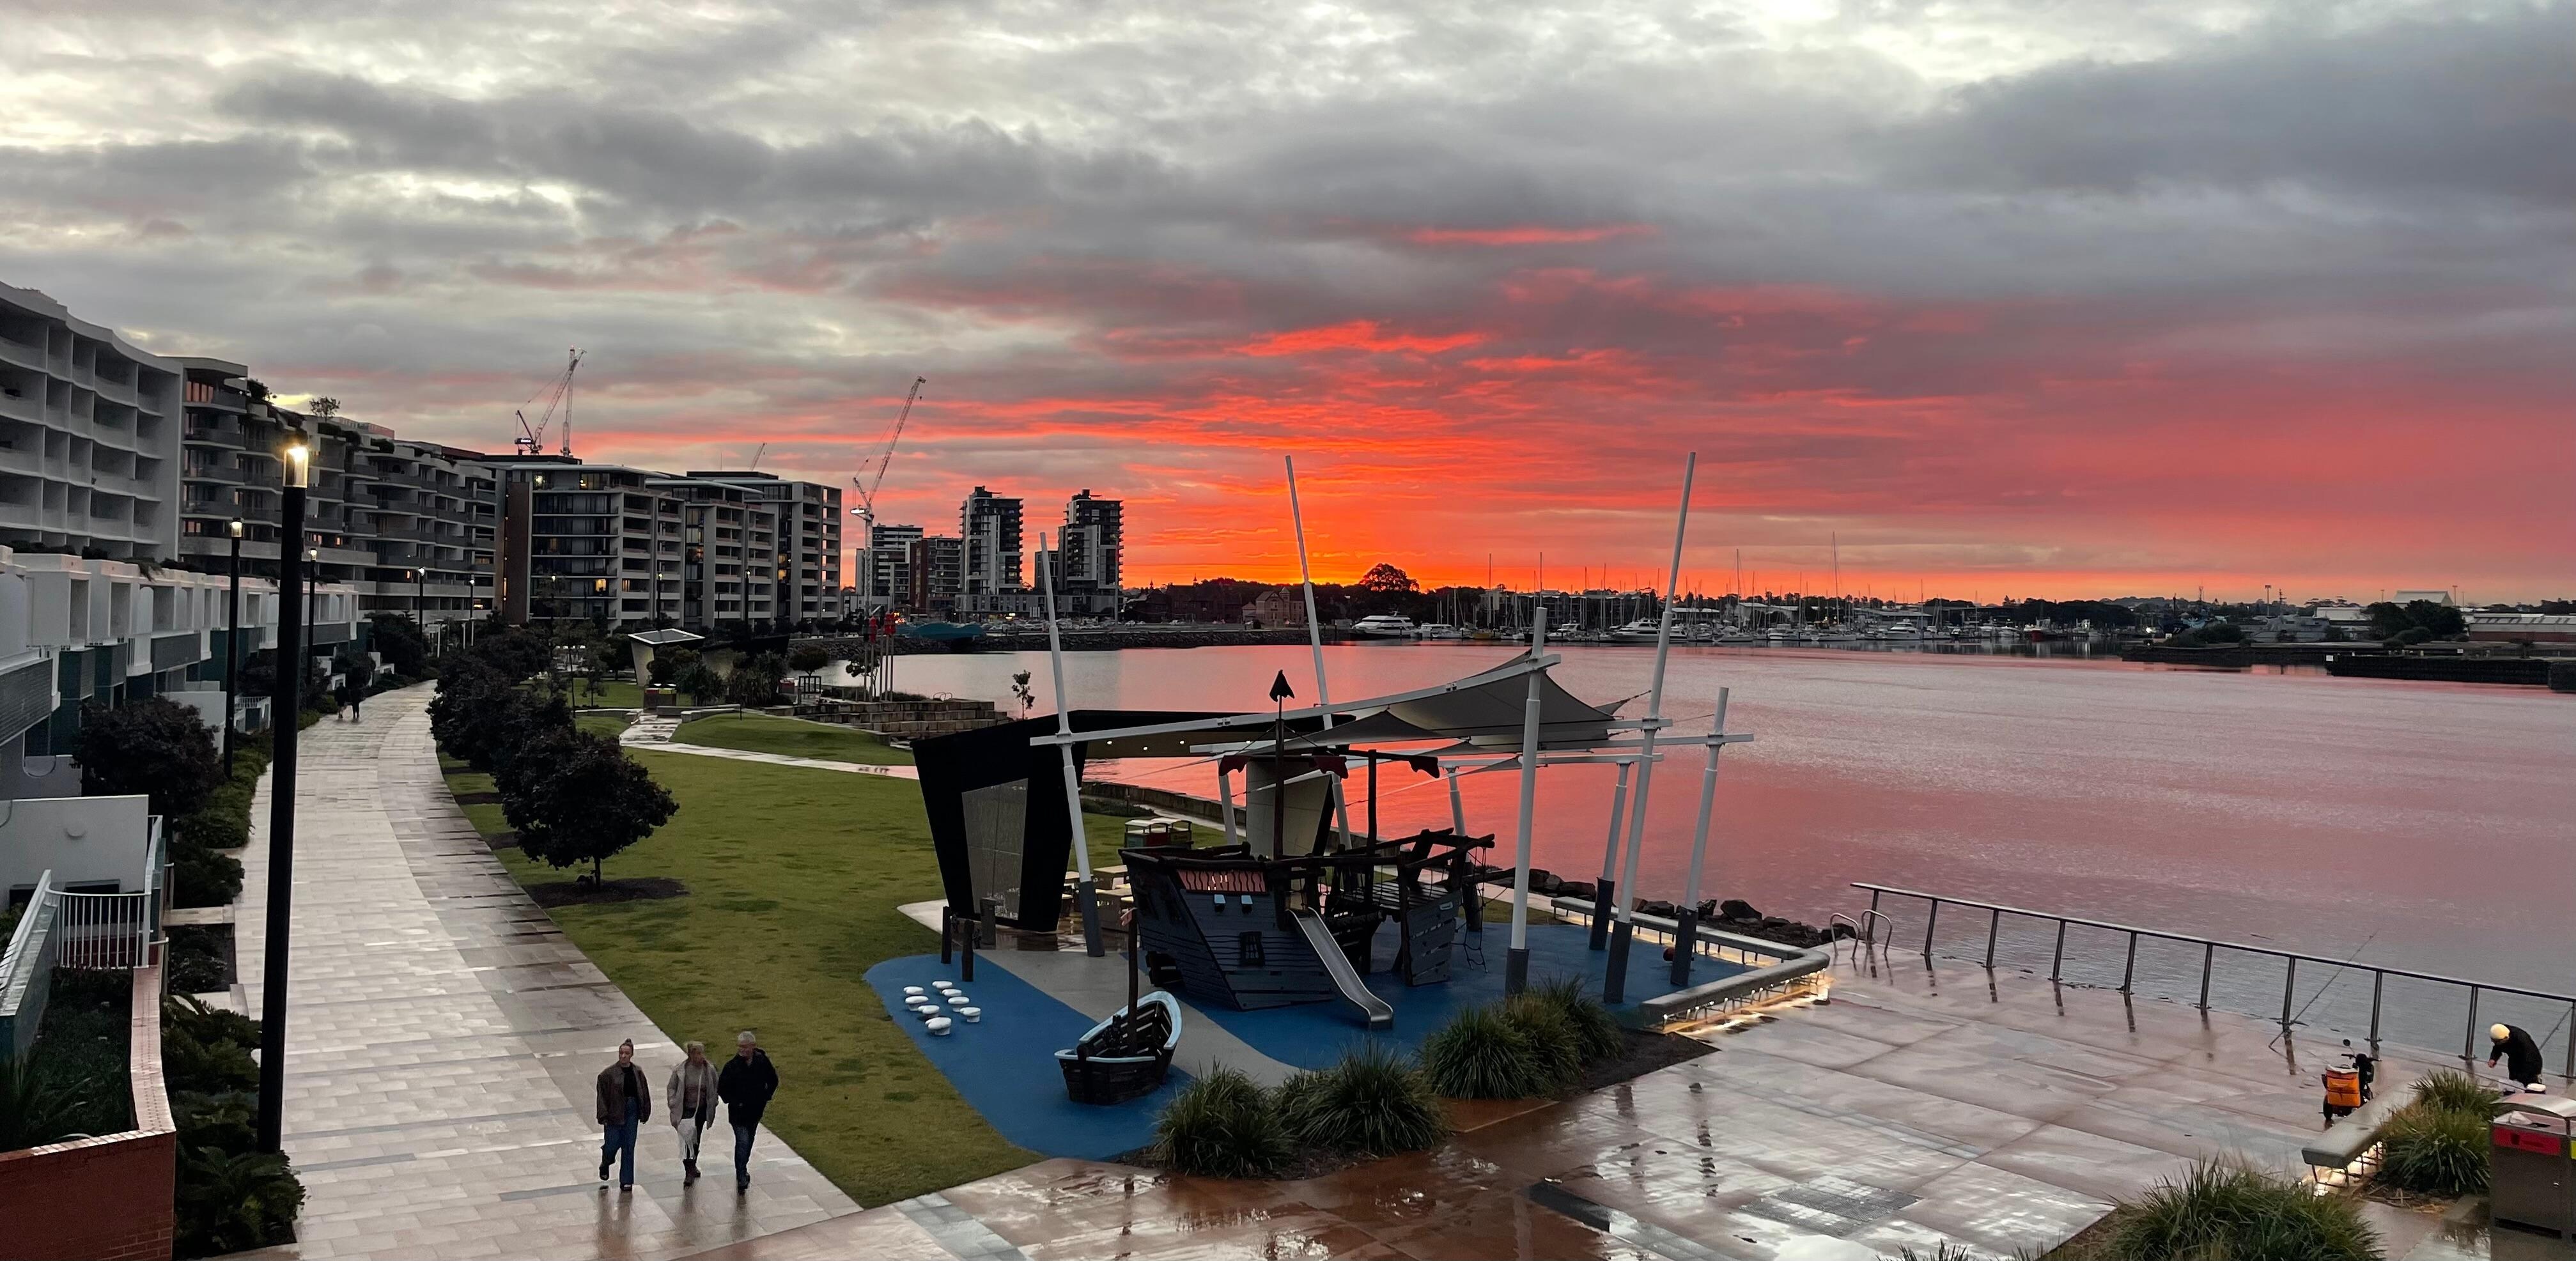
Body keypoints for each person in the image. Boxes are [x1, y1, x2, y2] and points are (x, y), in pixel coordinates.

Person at [715, 1029, 779, 1194]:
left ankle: (743, 1167)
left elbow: (773, 1079)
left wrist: (766, 1097)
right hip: (738, 1113)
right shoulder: (732, 1066)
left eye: (746, 1046)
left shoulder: (762, 1062)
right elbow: (722, 1088)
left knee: (749, 1142)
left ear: (753, 1046)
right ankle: (741, 1174)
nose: (743, 1050)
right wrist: (734, 1101)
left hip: (755, 1111)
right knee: (742, 1142)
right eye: (740, 1046)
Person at [595, 1038, 652, 1191]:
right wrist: (603, 1115)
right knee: (612, 1144)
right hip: (615, 1112)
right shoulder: (608, 1074)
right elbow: (602, 1095)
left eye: (627, 1053)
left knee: (628, 1146)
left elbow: (644, 1092)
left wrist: (645, 1111)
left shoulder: (638, 1072)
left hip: (632, 1112)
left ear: (632, 1054)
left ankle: (626, 1180)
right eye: (621, 1053)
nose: (624, 1056)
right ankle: (606, 1162)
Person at [667, 1040, 722, 1184]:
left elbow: (716, 1086)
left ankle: (693, 1164)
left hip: (701, 1110)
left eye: (701, 1053)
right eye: (697, 1053)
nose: (700, 1056)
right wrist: (673, 1102)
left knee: (696, 1140)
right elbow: (671, 1087)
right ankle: (689, 1171)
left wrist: (714, 1100)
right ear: (690, 1055)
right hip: (685, 1111)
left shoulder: (709, 1070)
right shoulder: (681, 1070)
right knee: (687, 1140)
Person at [2490, 1023, 2545, 1090]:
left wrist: (2523, 1077)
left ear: (2506, 1038)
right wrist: (2493, 1058)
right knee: (2514, 1084)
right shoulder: (2501, 1036)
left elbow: (2531, 1058)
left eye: (2498, 1042)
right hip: (2514, 1061)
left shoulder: (2522, 1039)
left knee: (2529, 1086)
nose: (2496, 1043)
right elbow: (2497, 1048)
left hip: (2531, 1063)